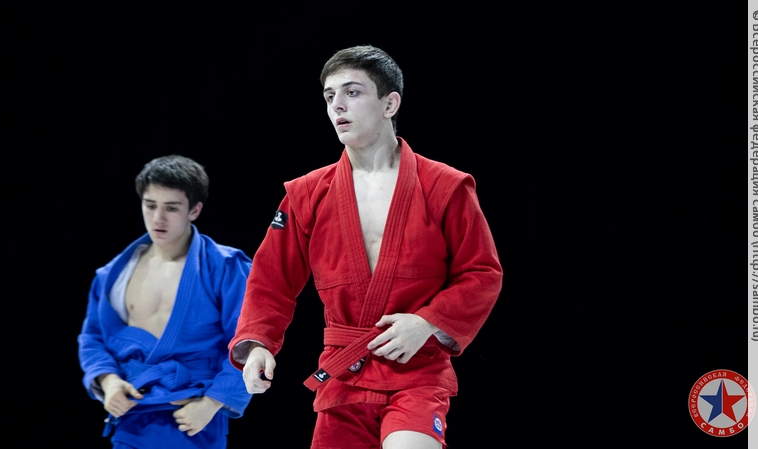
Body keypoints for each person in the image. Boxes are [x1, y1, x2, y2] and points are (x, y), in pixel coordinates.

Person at [228, 45, 503, 449]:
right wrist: (257, 344)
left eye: (352, 92)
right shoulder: (307, 194)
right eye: (329, 96)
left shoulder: (445, 186)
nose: (337, 105)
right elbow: (271, 278)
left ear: (390, 103)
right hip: (345, 374)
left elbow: (481, 272)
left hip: (416, 369)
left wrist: (426, 323)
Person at [79, 155, 252, 448]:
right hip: (133, 412)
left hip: (195, 415)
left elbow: (249, 343)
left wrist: (212, 402)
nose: (158, 218)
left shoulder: (227, 268)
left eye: (171, 208)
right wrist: (108, 381)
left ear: (194, 210)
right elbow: (93, 338)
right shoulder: (113, 275)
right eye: (150, 206)